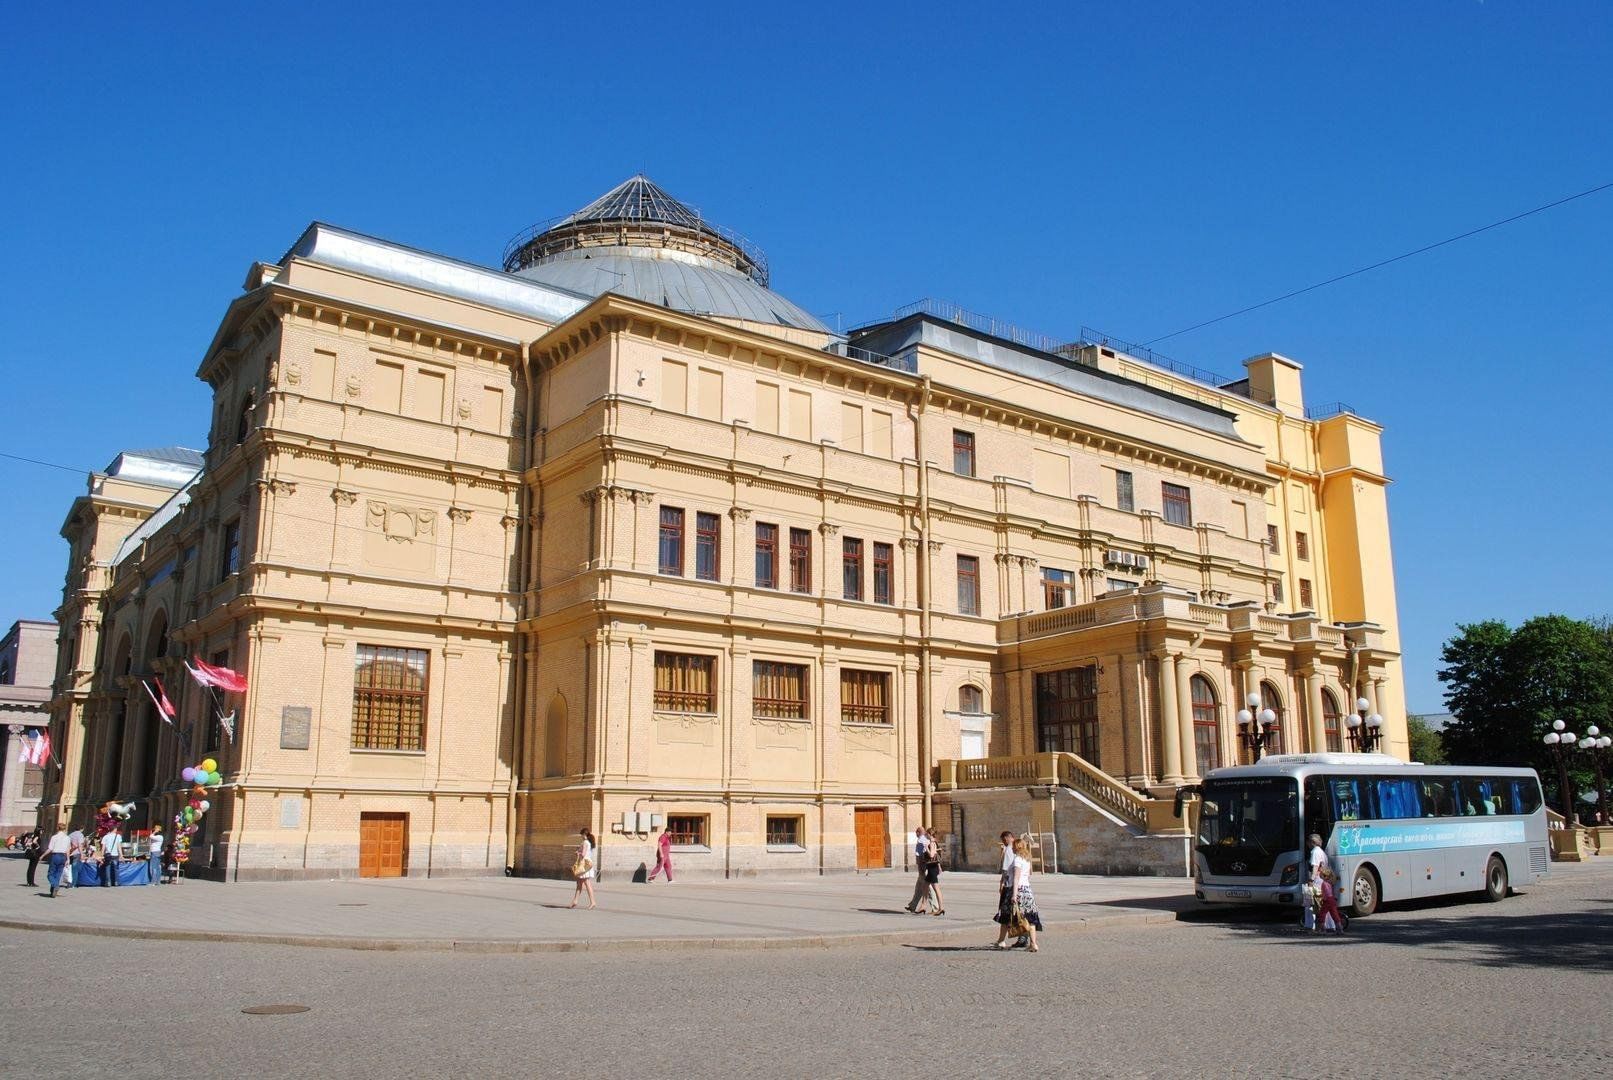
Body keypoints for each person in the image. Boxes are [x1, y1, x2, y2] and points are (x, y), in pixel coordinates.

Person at [993, 837, 1042, 952]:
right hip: (1027, 891)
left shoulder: (1017, 860)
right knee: (1030, 917)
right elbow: (1028, 875)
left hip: (1016, 890)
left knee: (1005, 916)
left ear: (1017, 847)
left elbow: (1016, 878)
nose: (1012, 848)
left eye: (1014, 846)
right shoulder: (1027, 859)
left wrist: (1014, 895)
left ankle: (1001, 941)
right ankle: (1033, 944)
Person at [1300, 832, 1329, 932]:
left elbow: (1315, 867)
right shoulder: (1322, 852)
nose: (1307, 844)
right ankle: (1325, 925)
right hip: (1322, 881)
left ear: (1312, 842)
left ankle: (1310, 925)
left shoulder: (1315, 852)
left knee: (1310, 904)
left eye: (1308, 842)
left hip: (1316, 881)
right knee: (1321, 904)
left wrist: (1311, 880)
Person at [905, 827, 933, 913]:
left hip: (922, 867)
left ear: (918, 832)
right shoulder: (926, 839)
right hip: (926, 866)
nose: (915, 834)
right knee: (919, 888)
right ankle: (912, 905)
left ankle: (936, 907)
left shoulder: (921, 840)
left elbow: (919, 855)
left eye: (916, 833)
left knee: (927, 888)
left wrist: (920, 868)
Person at [568, 828, 597, 909]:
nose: (581, 836)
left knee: (586, 883)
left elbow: (583, 854)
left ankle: (593, 902)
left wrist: (578, 852)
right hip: (588, 864)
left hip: (583, 865)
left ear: (584, 834)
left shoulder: (585, 842)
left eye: (581, 835)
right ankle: (575, 901)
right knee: (579, 883)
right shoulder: (590, 842)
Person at [1316, 867, 1347, 934]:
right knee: (1334, 914)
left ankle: (1322, 930)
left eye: (1321, 875)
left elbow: (1326, 893)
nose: (1320, 876)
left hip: (1327, 900)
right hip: (1332, 899)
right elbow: (1329, 892)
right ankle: (1340, 929)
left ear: (1325, 876)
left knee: (1322, 914)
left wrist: (1323, 898)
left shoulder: (1324, 883)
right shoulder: (1330, 883)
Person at [45, 824, 71, 898]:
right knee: (58, 874)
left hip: (55, 856)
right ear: (64, 829)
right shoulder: (67, 838)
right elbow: (68, 850)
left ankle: (55, 885)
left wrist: (42, 856)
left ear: (57, 828)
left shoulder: (54, 837)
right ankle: (53, 891)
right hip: (63, 856)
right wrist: (68, 859)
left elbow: (50, 848)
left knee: (50, 874)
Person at [64, 824, 85, 890]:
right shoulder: (80, 835)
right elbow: (80, 845)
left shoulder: (70, 834)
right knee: (75, 869)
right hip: (77, 853)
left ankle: (69, 882)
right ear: (81, 829)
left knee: (70, 869)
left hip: (70, 853)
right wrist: (82, 854)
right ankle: (73, 884)